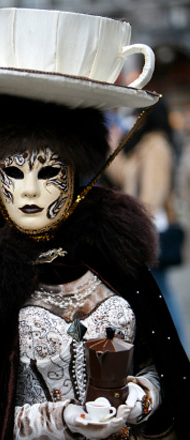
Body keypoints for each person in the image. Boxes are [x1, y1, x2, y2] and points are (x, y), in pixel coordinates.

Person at [0, 7, 189, 440]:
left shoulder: (111, 252)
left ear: (73, 178)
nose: (31, 192)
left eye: (48, 172)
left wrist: (141, 395)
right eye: (14, 173)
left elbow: (159, 364)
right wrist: (60, 420)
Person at [106, 100, 185, 342]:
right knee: (158, 291)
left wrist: (137, 228)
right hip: (145, 226)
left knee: (161, 293)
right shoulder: (143, 146)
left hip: (150, 229)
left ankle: (179, 350)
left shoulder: (156, 146)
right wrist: (111, 146)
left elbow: (153, 194)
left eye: (136, 116)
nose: (131, 121)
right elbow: (123, 175)